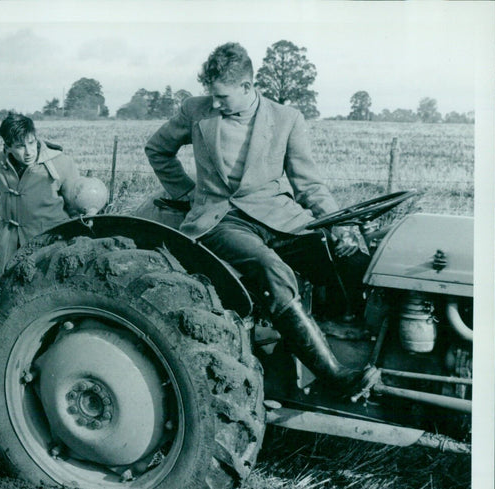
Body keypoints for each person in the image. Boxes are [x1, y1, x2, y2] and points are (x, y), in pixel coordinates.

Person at [145, 42, 377, 398]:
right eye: (212, 95)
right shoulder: (196, 111)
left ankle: (367, 350)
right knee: (269, 265)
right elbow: (158, 149)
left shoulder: (287, 119)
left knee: (342, 255)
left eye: (222, 96)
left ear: (248, 87)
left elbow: (308, 183)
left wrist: (337, 223)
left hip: (277, 216)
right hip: (219, 221)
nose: (216, 103)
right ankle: (334, 374)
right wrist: (188, 194)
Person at [0, 112, 81, 279]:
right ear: (8, 146)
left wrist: (74, 250)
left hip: (48, 249)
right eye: (20, 146)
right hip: (7, 250)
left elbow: (77, 211)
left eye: (31, 143)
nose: (28, 152)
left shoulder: (62, 163)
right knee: (3, 299)